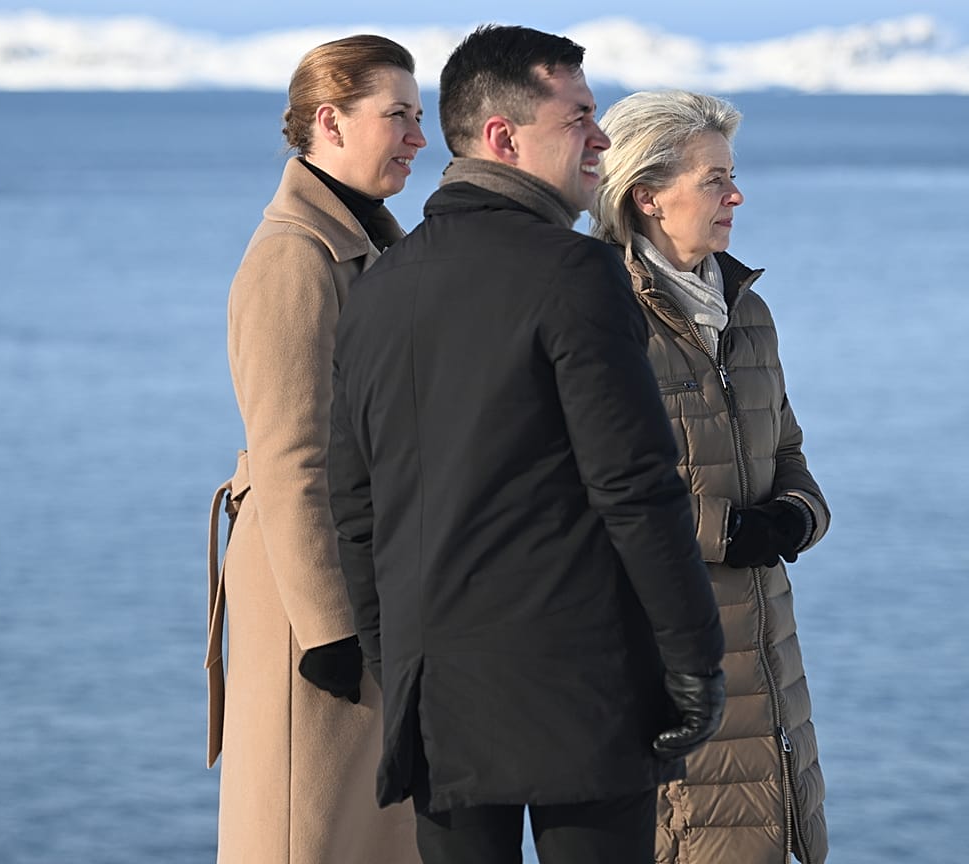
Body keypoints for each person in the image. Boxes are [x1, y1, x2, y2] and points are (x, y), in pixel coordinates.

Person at [326, 25, 727, 864]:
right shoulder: (577, 273)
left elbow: (356, 504)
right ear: (505, 138)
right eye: (579, 116)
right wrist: (694, 660)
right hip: (578, 691)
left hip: (437, 694)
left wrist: (392, 661)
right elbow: (635, 485)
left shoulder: (379, 286)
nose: (603, 138)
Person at [590, 89, 832, 864]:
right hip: (670, 655)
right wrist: (726, 530)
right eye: (715, 178)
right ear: (646, 194)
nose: (736, 195)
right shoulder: (600, 313)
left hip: (768, 652)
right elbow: (583, 487)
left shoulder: (746, 309)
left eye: (733, 175)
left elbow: (788, 449)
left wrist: (798, 515)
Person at [208, 34, 426, 864]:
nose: (418, 137)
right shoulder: (296, 257)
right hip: (316, 604)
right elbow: (293, 458)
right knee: (305, 831)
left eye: (420, 115)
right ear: (329, 122)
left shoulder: (371, 243)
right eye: (398, 116)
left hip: (369, 585)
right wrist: (330, 631)